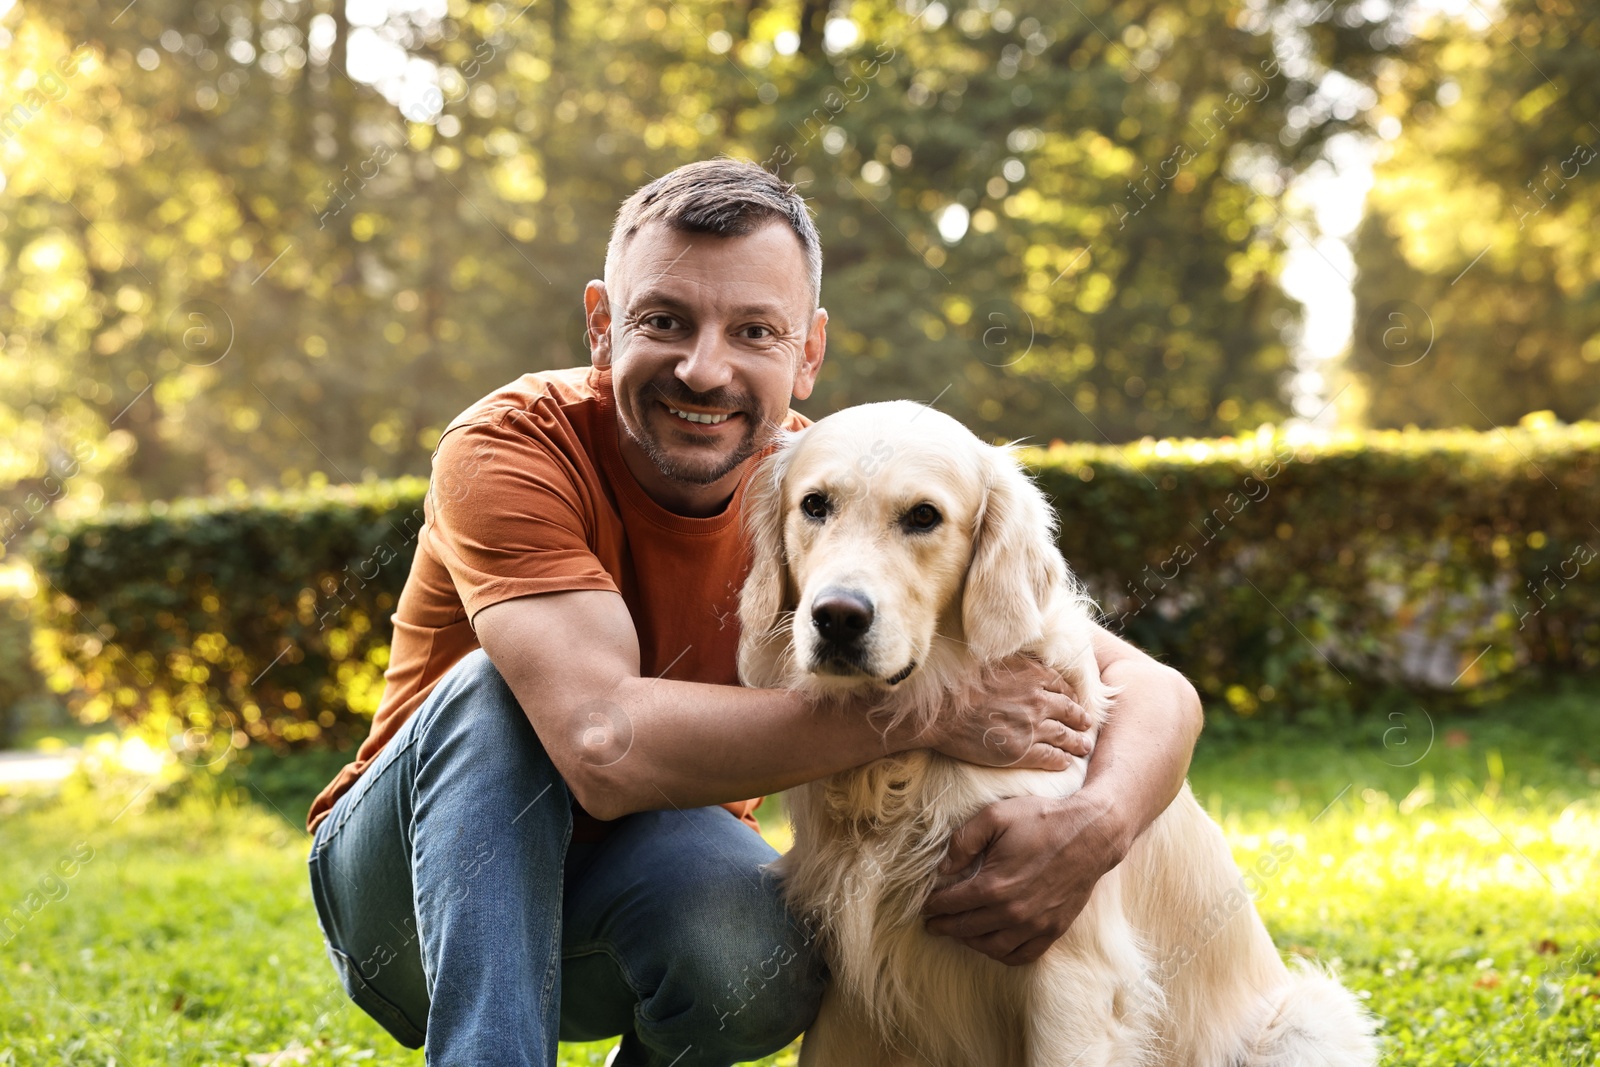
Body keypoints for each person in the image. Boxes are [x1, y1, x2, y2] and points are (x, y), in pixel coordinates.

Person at [305, 158, 1203, 1066]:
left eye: (754, 331)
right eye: (664, 320)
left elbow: (1151, 685)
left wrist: (1098, 825)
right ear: (602, 326)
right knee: (500, 692)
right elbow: (603, 742)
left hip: (618, 899)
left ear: (807, 353)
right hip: (410, 904)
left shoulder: (829, 486)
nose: (704, 369)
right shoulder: (509, 446)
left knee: (770, 954)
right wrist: (931, 710)